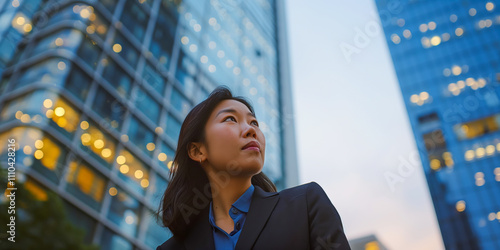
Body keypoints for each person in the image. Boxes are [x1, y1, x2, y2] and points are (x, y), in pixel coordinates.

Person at [156, 86, 350, 250]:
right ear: (198, 151)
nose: (251, 130)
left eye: (254, 122)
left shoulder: (306, 205)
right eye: (230, 119)